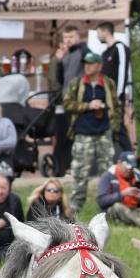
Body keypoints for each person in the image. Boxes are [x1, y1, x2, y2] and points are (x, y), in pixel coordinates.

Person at [64, 52, 122, 215]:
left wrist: (114, 126)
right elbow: (67, 104)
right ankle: (75, 206)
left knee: (107, 171)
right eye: (86, 63)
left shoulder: (108, 83)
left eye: (91, 63)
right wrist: (87, 106)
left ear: (99, 65)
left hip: (103, 132)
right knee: (80, 171)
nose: (87, 66)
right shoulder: (77, 83)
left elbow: (116, 106)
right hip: (83, 132)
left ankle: (108, 205)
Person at [51, 25, 87, 175]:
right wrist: (59, 62)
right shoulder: (65, 55)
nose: (68, 40)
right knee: (65, 135)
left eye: (71, 37)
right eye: (66, 37)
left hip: (79, 100)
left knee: (76, 134)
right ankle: (63, 167)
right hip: (66, 100)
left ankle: (78, 166)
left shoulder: (84, 51)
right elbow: (60, 79)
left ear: (78, 37)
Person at [97, 150, 140, 227]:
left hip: (136, 210)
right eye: (127, 167)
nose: (129, 170)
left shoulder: (138, 176)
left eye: (132, 167)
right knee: (117, 206)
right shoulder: (108, 176)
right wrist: (122, 194)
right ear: (119, 163)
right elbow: (101, 201)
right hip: (116, 210)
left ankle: (130, 221)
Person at [97, 22, 134, 149]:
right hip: (104, 96)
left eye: (98, 33)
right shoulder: (105, 52)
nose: (97, 36)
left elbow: (123, 71)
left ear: (105, 32)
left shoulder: (119, 48)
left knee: (118, 128)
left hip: (115, 96)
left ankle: (129, 158)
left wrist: (118, 94)